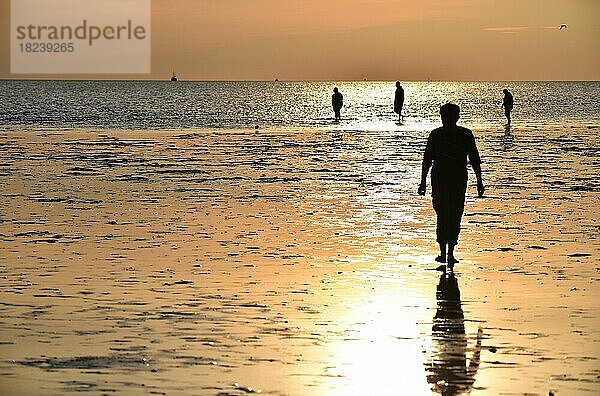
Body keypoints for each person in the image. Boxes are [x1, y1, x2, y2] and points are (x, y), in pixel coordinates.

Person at [418, 103, 484, 267]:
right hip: (450, 178)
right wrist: (479, 181)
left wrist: (423, 181)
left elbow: (474, 158)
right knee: (451, 214)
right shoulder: (459, 134)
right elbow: (474, 159)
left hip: (450, 178)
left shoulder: (448, 134)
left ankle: (447, 252)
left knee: (447, 214)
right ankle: (447, 253)